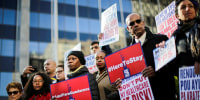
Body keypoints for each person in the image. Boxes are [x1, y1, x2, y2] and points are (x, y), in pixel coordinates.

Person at [115, 13, 176, 100]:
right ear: (128, 29)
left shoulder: (161, 39)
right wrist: (122, 84)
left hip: (164, 95)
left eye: (138, 21)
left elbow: (173, 67)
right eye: (131, 23)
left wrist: (155, 71)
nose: (135, 24)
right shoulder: (126, 54)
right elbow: (128, 77)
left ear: (143, 23)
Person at [157, 0, 200, 75]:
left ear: (195, 11)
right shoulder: (175, 37)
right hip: (188, 83)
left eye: (191, 6)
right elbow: (173, 69)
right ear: (177, 16)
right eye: (183, 7)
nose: (187, 9)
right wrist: (165, 52)